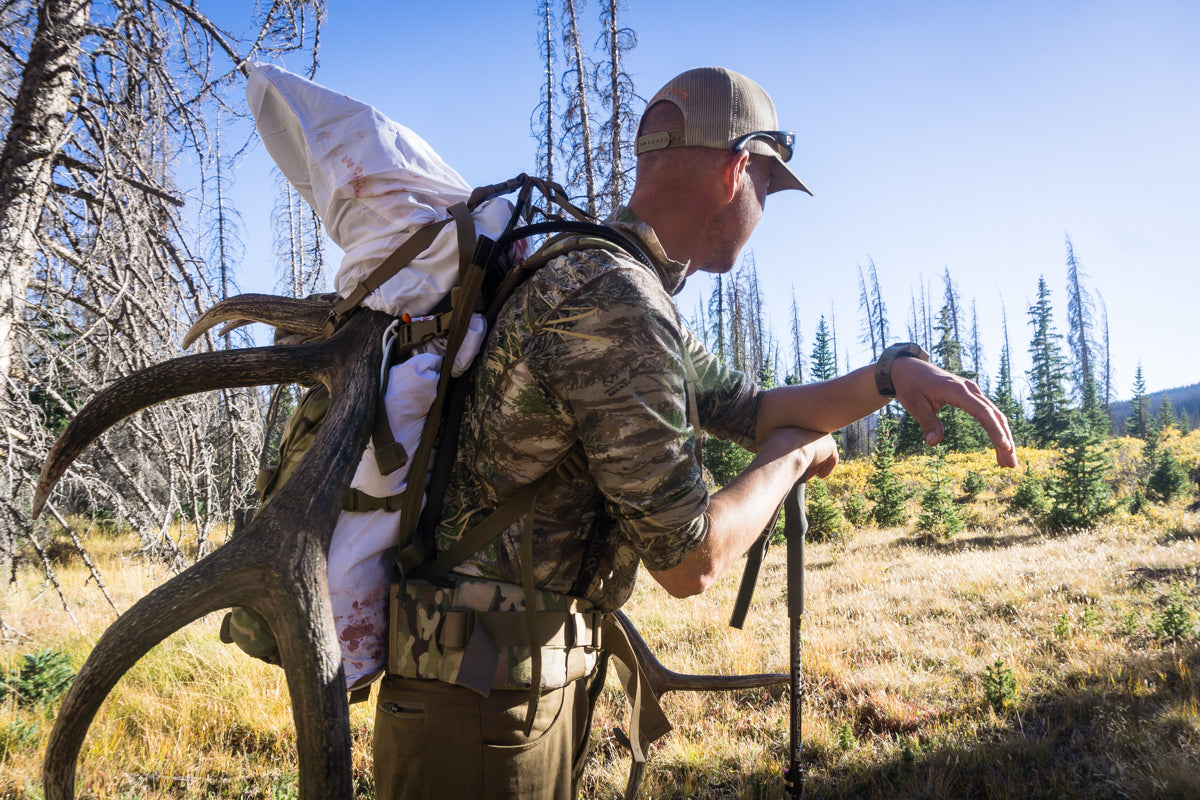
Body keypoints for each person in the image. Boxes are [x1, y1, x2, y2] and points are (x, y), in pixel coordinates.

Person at [372, 66, 1017, 799]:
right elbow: (689, 562)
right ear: (737, 169)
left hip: (500, 686)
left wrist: (889, 376)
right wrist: (794, 458)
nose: (763, 211)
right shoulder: (616, 302)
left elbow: (754, 408)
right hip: (485, 704)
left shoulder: (604, 278)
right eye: (767, 190)